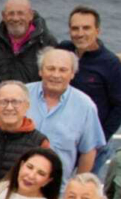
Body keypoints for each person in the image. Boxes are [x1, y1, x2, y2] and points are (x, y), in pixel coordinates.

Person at [59, 6, 121, 175]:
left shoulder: (111, 64)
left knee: (81, 192)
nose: (80, 33)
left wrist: (99, 139)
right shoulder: (63, 50)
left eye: (86, 28)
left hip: (91, 146)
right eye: (75, 28)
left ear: (97, 31)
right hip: (63, 138)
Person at [27, 48, 106, 182]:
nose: (56, 75)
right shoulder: (21, 95)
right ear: (40, 71)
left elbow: (88, 152)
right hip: (17, 184)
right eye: (50, 69)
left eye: (63, 70)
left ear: (72, 74)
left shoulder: (85, 106)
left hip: (57, 189)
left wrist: (77, 186)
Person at [0, 0, 58, 85]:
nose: (15, 18)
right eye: (11, 13)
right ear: (3, 16)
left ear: (31, 15)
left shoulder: (46, 42)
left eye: (20, 13)